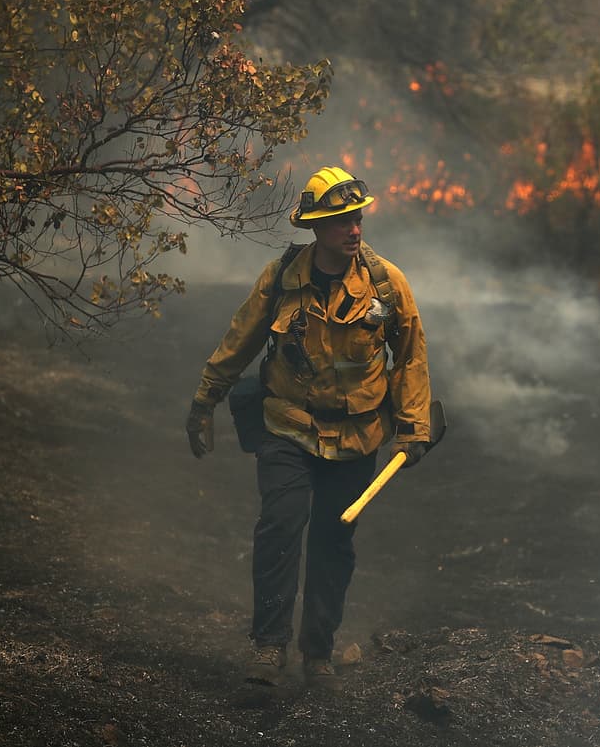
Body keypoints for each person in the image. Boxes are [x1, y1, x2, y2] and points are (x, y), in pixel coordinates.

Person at [184, 166, 432, 692]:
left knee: (334, 541)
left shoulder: (387, 284)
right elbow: (240, 341)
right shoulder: (280, 279)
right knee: (279, 527)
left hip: (358, 437)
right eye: (343, 221)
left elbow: (410, 358)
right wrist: (205, 400)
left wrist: (413, 428)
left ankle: (317, 651)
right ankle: (268, 647)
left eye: (358, 219)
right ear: (317, 228)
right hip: (288, 426)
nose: (355, 230)